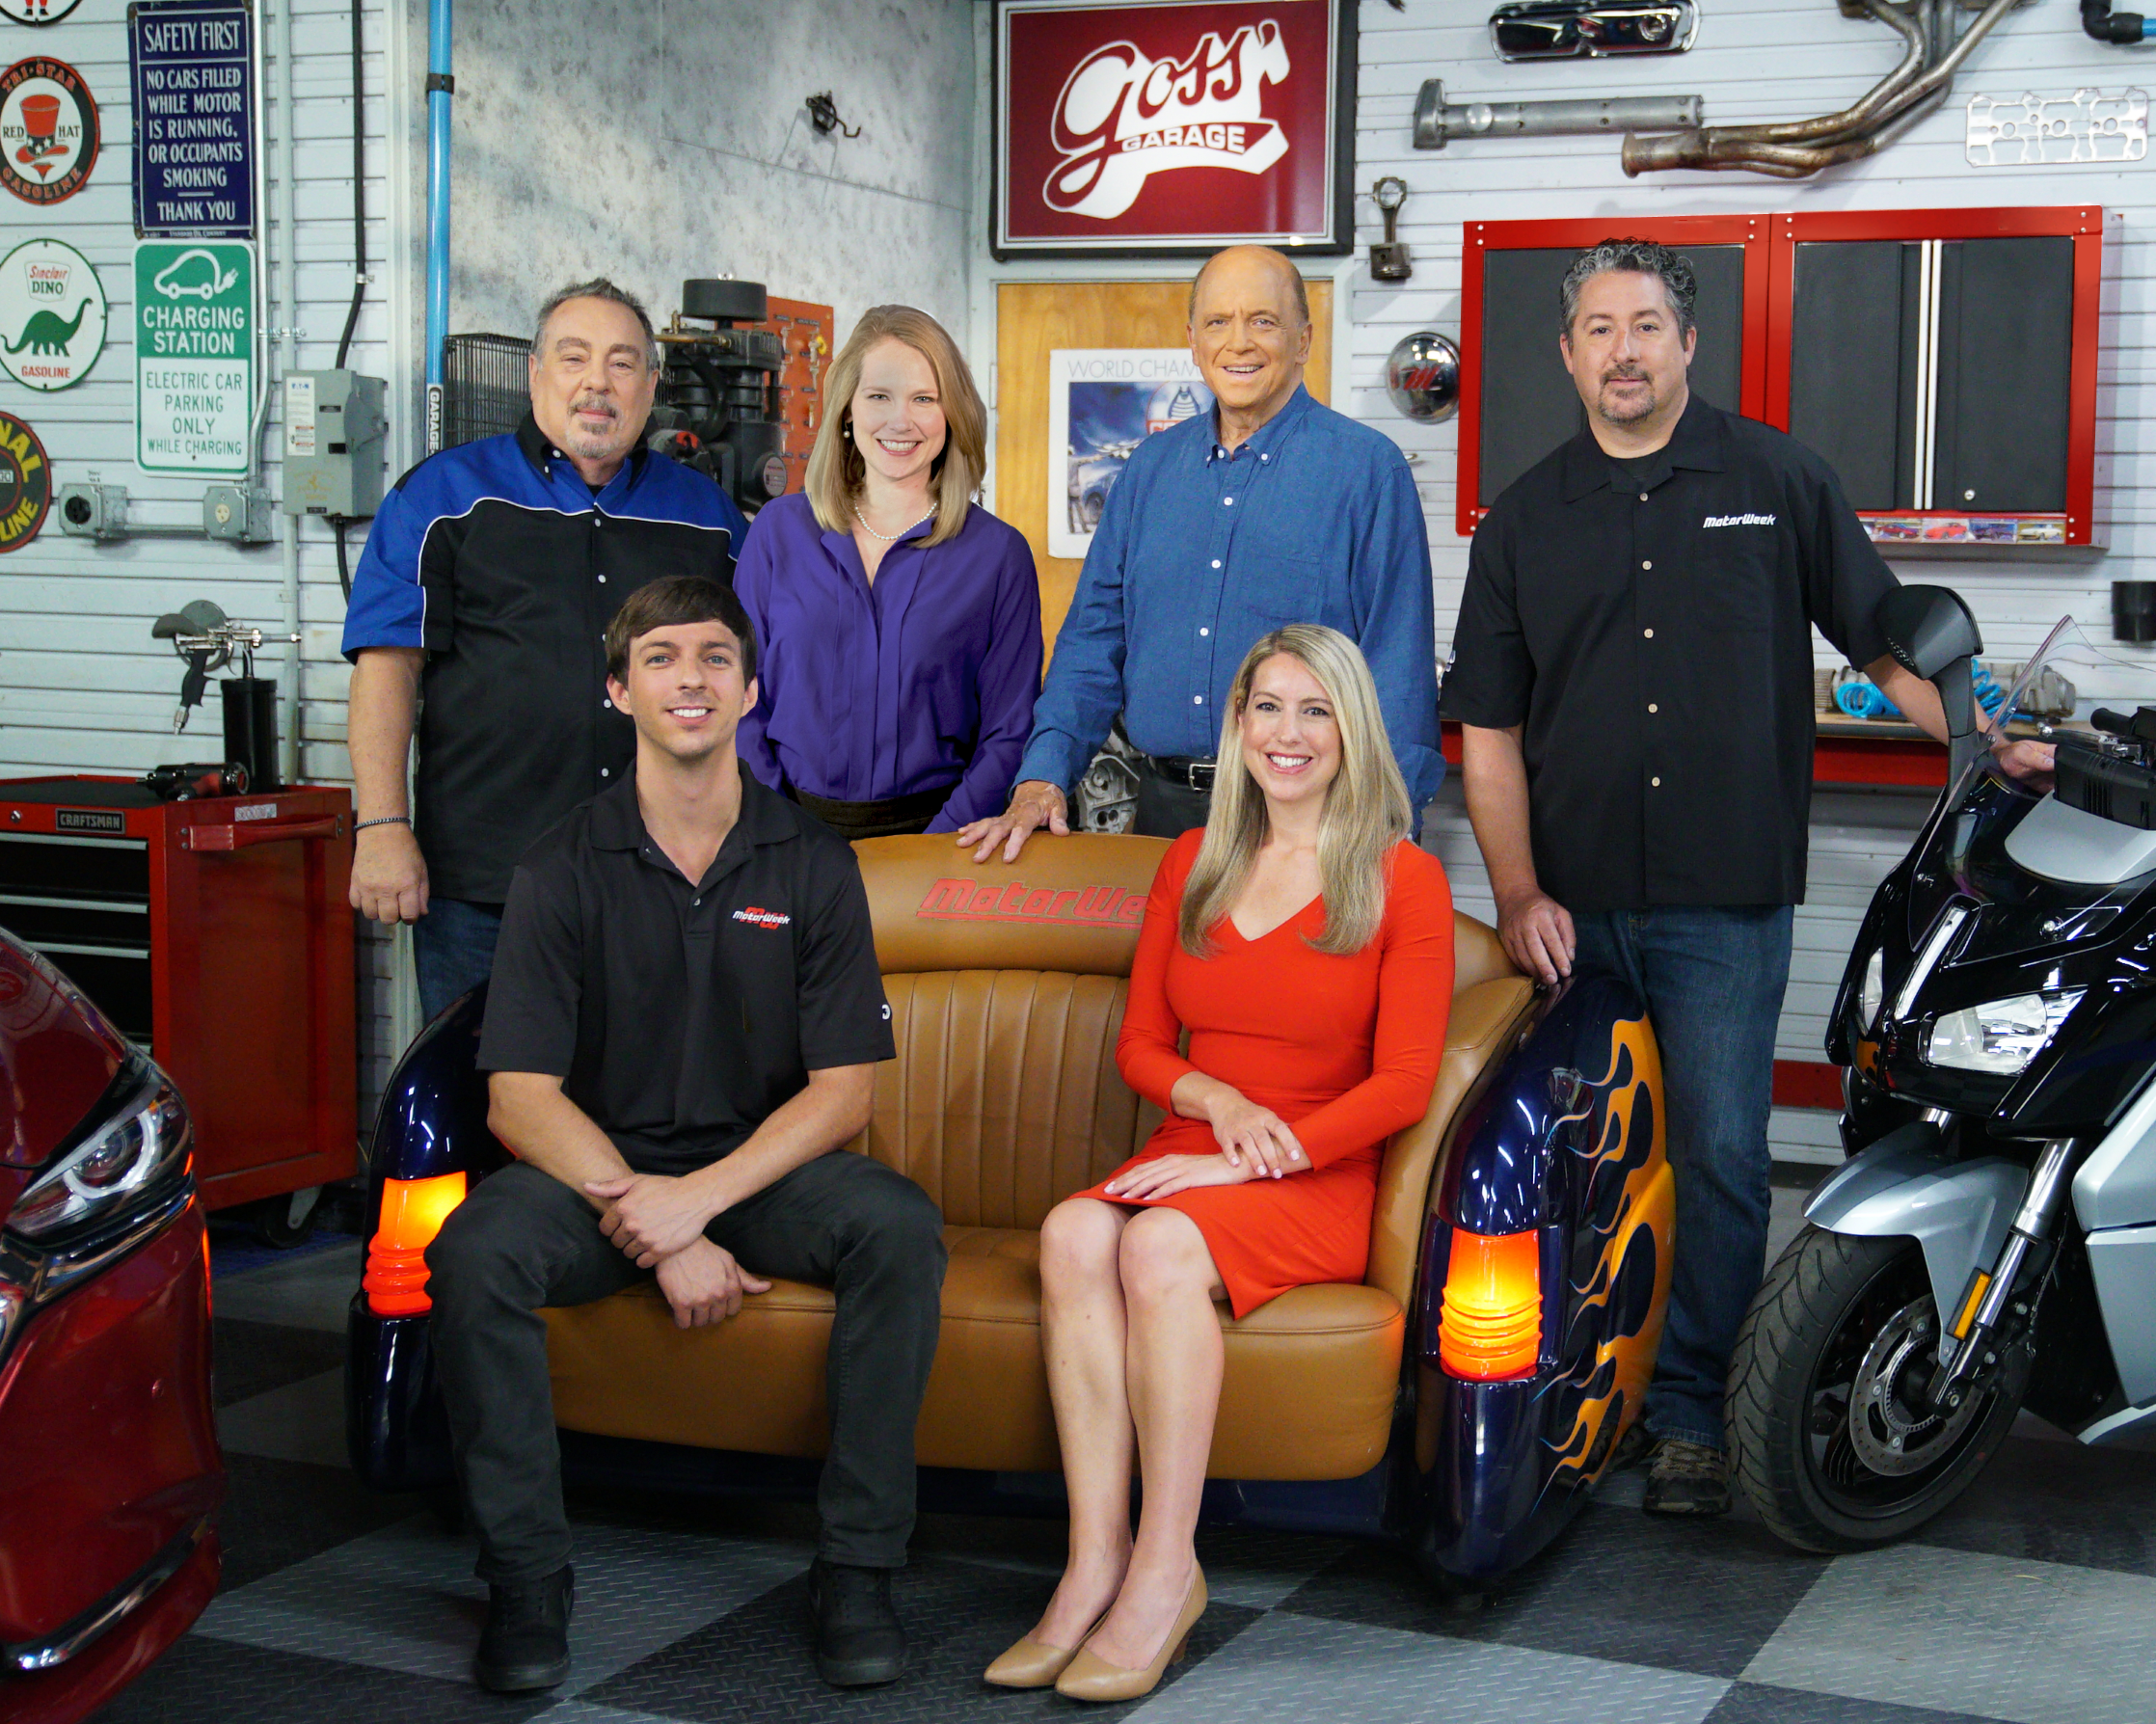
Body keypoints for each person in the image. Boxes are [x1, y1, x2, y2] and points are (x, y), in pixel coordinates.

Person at [1442, 236, 2052, 1518]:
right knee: (1573, 1161)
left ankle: (1690, 1417)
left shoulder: (1778, 478)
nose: (1623, 350)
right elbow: (1489, 731)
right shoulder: (1525, 518)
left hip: (1724, 896)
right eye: (1598, 329)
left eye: (1646, 325)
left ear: (1687, 342)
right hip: (1573, 904)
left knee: (1721, 1156)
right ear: (1566, 354)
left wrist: (1992, 741)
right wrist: (1514, 892)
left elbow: (1890, 644)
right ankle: (1574, 1396)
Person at [423, 576, 944, 1694]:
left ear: (751, 689)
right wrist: (648, 1217)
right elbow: (519, 1098)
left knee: (896, 1228)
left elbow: (845, 1090)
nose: (690, 678)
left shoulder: (811, 864)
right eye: (660, 658)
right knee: (471, 1252)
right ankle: (525, 1581)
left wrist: (697, 1203)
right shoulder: (560, 864)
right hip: (592, 1174)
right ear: (619, 690)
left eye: (715, 657)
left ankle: (856, 1569)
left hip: (755, 1175)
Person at [985, 625, 1453, 1703]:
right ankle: (1091, 1558)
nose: (1286, 735)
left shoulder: (1400, 877)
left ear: (1349, 730)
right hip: (1200, 1141)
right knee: (1071, 1232)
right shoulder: (1193, 860)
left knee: (1153, 1248)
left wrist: (1249, 1163)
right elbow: (1143, 1047)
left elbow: (1401, 1089)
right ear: (1237, 726)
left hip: (1319, 1169)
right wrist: (1215, 1105)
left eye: (1313, 711)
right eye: (1267, 709)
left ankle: (1164, 1566)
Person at [341, 278, 749, 1021]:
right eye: (574, 357)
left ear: (651, 386)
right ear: (535, 373)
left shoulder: (710, 521)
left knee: (650, 1107)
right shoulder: (442, 498)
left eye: (624, 363)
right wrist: (382, 826)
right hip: (485, 889)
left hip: (663, 879)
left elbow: (748, 686)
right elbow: (386, 668)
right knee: (481, 1107)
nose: (598, 382)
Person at [958, 246, 1440, 860]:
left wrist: (1387, 834)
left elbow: (1396, 673)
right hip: (1162, 817)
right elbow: (1093, 643)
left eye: (1263, 321)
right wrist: (1042, 777)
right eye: (1218, 322)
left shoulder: (1367, 471)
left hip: (1306, 821)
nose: (1238, 342)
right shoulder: (1148, 472)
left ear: (1303, 339)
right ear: (1192, 340)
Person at [733, 306, 1041, 839]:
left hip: (941, 838)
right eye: (880, 396)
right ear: (847, 411)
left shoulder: (998, 555)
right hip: (785, 836)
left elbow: (1009, 732)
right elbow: (736, 698)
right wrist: (779, 833)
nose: (901, 420)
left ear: (953, 414)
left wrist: (934, 850)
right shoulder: (777, 534)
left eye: (924, 398)